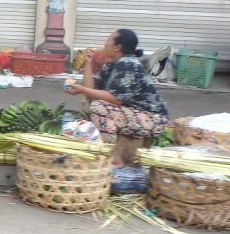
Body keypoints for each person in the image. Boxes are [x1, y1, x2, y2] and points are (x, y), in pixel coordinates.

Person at [64, 29, 169, 169]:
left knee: (98, 107)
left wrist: (81, 89)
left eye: (108, 40)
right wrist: (88, 63)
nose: (105, 43)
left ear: (117, 47)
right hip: (131, 113)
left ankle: (112, 157)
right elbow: (91, 92)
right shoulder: (110, 65)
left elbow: (116, 99)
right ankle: (98, 146)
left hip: (152, 118)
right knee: (88, 103)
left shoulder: (128, 64)